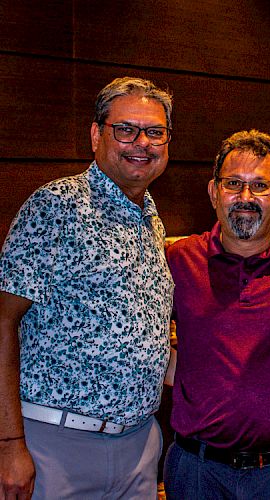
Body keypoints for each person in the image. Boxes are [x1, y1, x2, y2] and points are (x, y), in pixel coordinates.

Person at [0, 77, 175, 499]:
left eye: (155, 132)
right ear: (97, 134)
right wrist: (8, 445)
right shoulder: (56, 206)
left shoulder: (151, 219)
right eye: (126, 129)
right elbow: (2, 322)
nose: (142, 143)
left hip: (139, 446)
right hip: (55, 447)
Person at [163, 129, 270, 499]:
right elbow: (135, 335)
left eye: (260, 186)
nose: (245, 198)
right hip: (196, 472)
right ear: (213, 192)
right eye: (234, 183)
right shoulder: (178, 261)